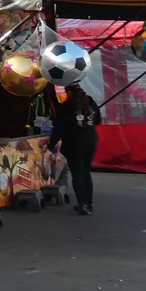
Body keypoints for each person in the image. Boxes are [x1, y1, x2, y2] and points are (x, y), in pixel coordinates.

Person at [49, 84, 102, 215]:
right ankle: (89, 203)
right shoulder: (90, 101)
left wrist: (51, 145)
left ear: (69, 91)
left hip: (74, 141)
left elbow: (59, 127)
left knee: (77, 173)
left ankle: (82, 203)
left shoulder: (67, 106)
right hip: (91, 139)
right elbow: (98, 120)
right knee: (86, 171)